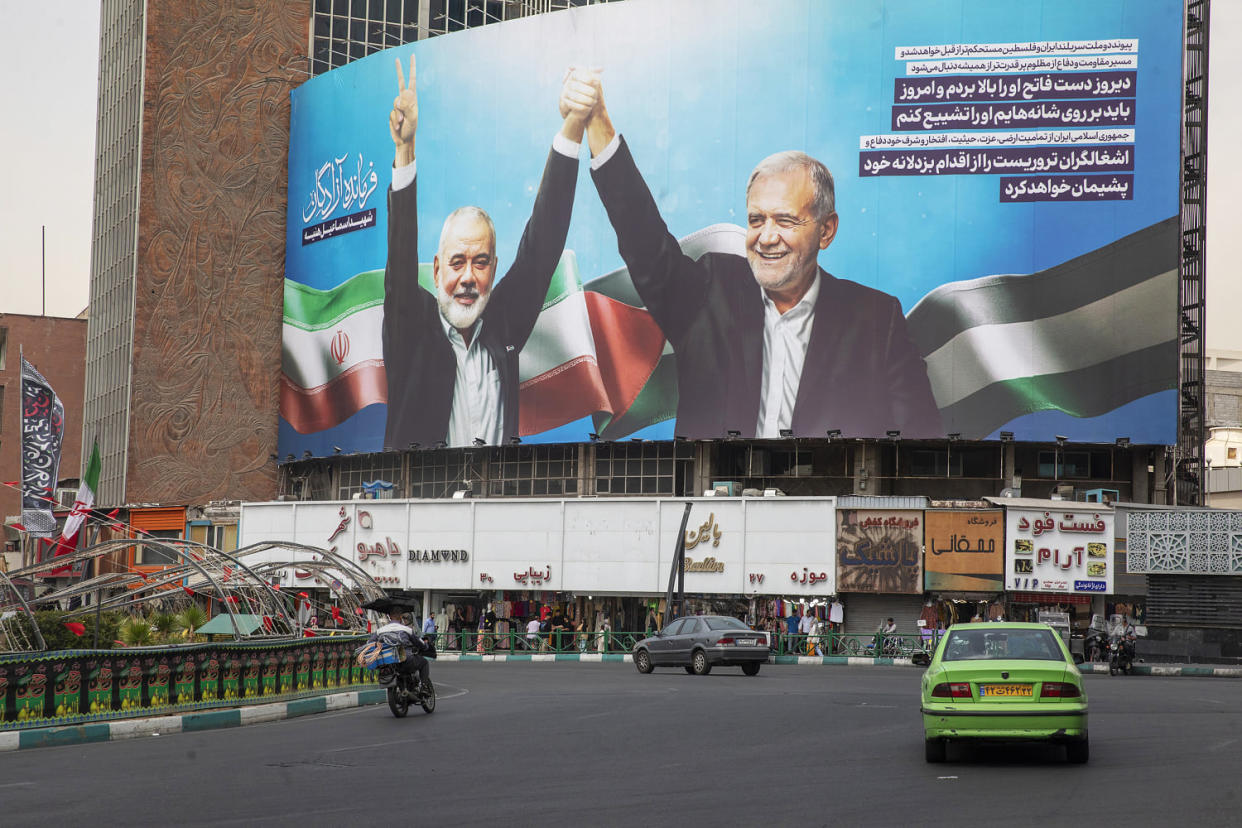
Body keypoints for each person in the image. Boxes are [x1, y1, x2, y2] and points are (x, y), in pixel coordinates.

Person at [579, 76, 942, 439]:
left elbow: (919, 438)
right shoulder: (709, 292)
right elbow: (645, 243)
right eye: (756, 220)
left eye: (785, 220)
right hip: (714, 494)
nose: (767, 237)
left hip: (826, 496)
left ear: (826, 231)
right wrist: (598, 124)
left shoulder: (878, 320)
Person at [382, 58, 600, 448]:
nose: (468, 277)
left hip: (496, 505)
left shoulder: (503, 324)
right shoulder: (411, 327)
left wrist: (573, 126)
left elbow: (542, 246)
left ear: (494, 269)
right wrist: (405, 150)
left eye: (480, 263)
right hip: (420, 506)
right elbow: (399, 260)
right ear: (435, 271)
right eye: (457, 262)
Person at [370, 607, 430, 688]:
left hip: (388, 662)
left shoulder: (380, 631)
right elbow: (419, 642)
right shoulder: (407, 629)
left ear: (390, 617)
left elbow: (369, 643)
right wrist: (425, 646)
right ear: (401, 617)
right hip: (406, 660)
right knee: (424, 662)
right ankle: (424, 687)